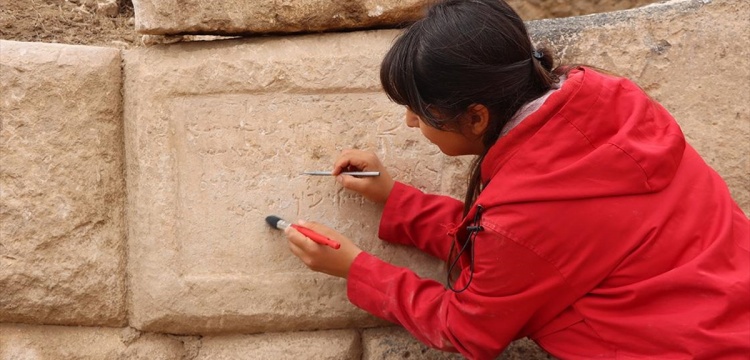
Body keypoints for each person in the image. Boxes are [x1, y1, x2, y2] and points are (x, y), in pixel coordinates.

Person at [282, 0, 750, 358]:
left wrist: (356, 269)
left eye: (418, 111)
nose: (409, 124)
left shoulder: (525, 215)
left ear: (477, 116)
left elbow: (468, 326)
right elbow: (527, 251)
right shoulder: (610, 104)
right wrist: (396, 201)